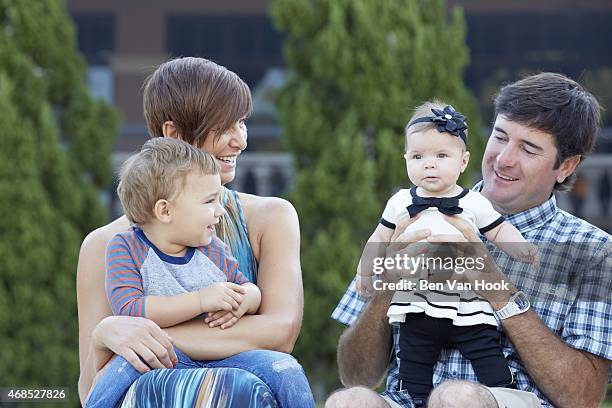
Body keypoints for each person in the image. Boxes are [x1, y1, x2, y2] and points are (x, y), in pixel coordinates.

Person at [326, 73, 611, 408]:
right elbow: (355, 373)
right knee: (351, 401)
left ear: (566, 166)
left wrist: (498, 290)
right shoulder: (411, 214)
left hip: (510, 401)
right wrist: (387, 285)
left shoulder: (595, 251)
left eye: (528, 149)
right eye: (500, 137)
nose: (503, 159)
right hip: (406, 398)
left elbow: (583, 397)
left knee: (455, 398)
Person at [77, 57, 314, 407]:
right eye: (224, 127)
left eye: (242, 123)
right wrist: (102, 338)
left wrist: (148, 336)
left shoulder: (271, 218)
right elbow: (91, 391)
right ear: (173, 134)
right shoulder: (107, 245)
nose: (240, 141)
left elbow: (280, 332)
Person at [355, 101, 537, 406]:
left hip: (466, 301)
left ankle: (503, 387)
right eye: (418, 156)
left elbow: (499, 230)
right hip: (417, 303)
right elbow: (379, 238)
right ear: (406, 160)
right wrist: (364, 273)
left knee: (483, 348)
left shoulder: (474, 203)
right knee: (413, 355)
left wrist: (523, 249)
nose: (429, 164)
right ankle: (413, 398)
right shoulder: (400, 202)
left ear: (463, 162)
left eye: (441, 156)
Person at [86, 138, 265, 406]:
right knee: (119, 368)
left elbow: (246, 287)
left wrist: (245, 301)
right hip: (155, 357)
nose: (219, 211)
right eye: (210, 201)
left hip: (220, 354)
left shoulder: (213, 247)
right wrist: (202, 300)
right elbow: (130, 309)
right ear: (165, 210)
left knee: (284, 367)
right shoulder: (125, 247)